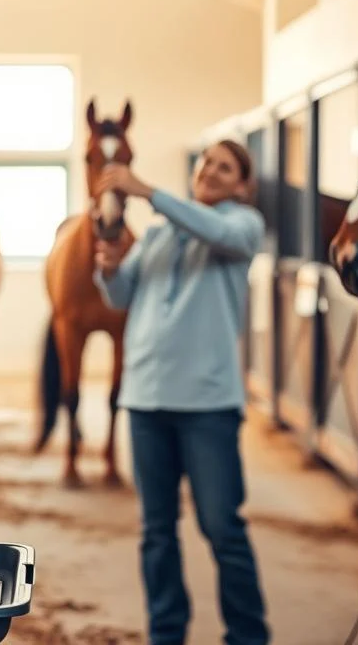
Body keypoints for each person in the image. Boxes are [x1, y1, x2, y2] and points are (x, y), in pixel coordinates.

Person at [93, 139, 269, 645]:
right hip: (145, 400)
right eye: (207, 162)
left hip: (207, 406)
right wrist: (107, 270)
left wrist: (144, 189)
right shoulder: (159, 234)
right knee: (156, 531)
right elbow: (123, 295)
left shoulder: (242, 225)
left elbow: (214, 229)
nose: (211, 171)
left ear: (241, 184)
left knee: (222, 528)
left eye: (225, 167)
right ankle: (166, 634)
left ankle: (247, 635)